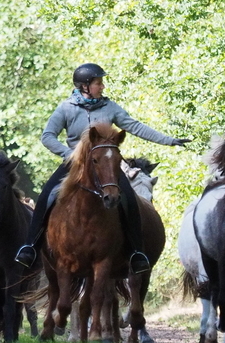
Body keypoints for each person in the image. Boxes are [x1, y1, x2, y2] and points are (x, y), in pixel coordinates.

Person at [14, 63, 190, 272]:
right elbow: (47, 136)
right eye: (99, 83)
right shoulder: (66, 108)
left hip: (106, 165)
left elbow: (135, 126)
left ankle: (136, 252)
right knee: (46, 197)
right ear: (85, 86)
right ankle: (30, 247)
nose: (102, 87)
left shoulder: (110, 107)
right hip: (75, 163)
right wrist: (69, 154)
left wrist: (168, 140)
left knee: (130, 201)